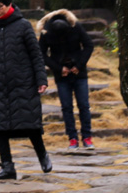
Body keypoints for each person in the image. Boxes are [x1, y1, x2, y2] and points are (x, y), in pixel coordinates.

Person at [0, 0, 52, 179]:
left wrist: (41, 79)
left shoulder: (23, 25)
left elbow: (36, 55)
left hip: (23, 83)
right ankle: (7, 166)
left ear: (9, 4)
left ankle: (43, 155)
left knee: (30, 124)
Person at [38, 9, 95, 149]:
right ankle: (72, 139)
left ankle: (87, 137)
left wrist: (79, 65)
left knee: (84, 105)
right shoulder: (46, 32)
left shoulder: (76, 26)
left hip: (79, 73)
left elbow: (89, 45)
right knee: (66, 107)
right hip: (61, 75)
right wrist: (58, 68)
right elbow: (41, 53)